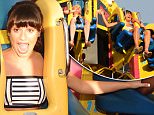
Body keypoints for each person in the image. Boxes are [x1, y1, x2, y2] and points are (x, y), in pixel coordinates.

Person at [3, 0, 151, 110]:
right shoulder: (2, 60)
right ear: (9, 32)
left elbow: (83, 86)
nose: (23, 38)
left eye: (30, 30)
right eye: (17, 30)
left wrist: (130, 84)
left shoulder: (47, 61)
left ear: (38, 32)